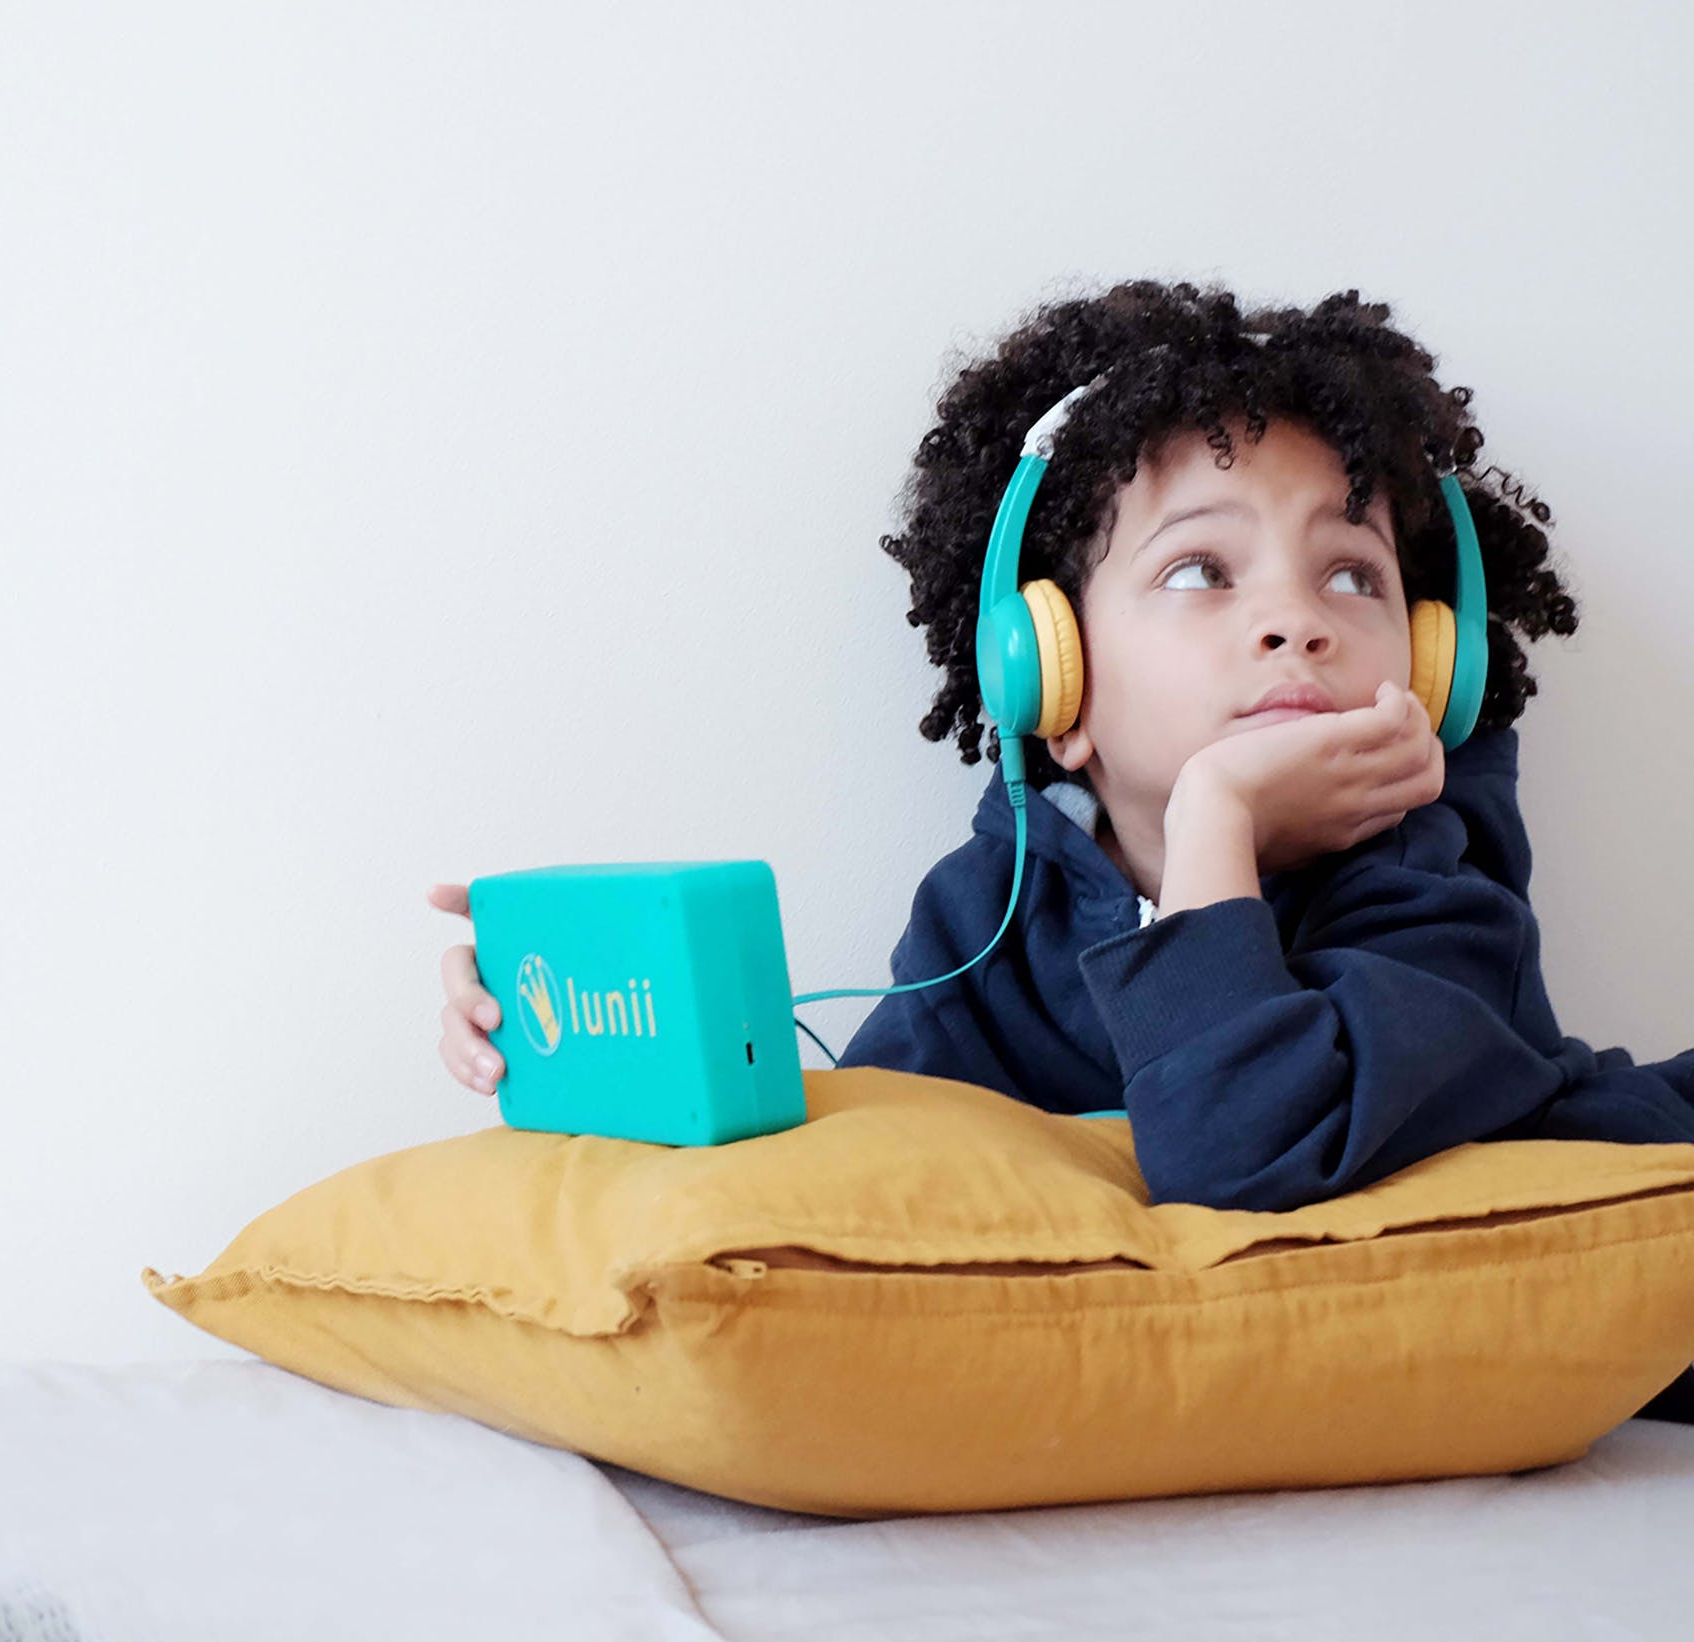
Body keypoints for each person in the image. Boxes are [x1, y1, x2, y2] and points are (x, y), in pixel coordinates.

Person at [429, 277, 1694, 1418]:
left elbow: (1246, 1158)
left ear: (1427, 668)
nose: (1292, 621)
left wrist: (1214, 820)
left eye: (1352, 577)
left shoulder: (1438, 899)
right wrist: (569, 1031)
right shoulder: (990, 912)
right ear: (1051, 676)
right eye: (1199, 570)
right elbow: (848, 1192)